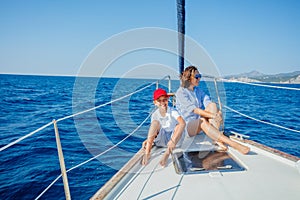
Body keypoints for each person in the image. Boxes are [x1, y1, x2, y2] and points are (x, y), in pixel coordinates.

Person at [175, 66, 250, 154]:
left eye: (200, 76)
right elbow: (194, 110)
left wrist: (218, 113)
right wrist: (213, 116)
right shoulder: (181, 92)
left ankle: (216, 139)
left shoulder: (197, 90)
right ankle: (234, 144)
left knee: (213, 105)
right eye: (197, 76)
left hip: (198, 124)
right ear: (189, 78)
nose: (199, 78)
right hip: (187, 127)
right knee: (202, 121)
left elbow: (207, 101)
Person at [142, 88, 186, 167]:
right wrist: (148, 140)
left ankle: (167, 153)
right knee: (155, 123)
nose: (162, 102)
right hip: (161, 140)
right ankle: (147, 153)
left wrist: (172, 141)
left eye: (164, 100)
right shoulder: (155, 115)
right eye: (159, 101)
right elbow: (155, 130)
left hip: (174, 141)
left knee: (179, 125)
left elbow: (183, 123)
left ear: (168, 99)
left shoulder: (172, 111)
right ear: (155, 103)